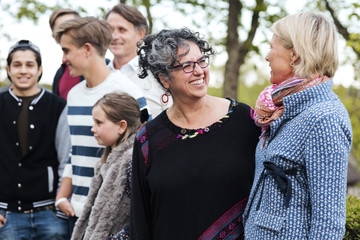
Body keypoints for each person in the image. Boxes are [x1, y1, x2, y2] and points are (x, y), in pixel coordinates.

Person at [130, 28, 260, 240]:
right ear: (164, 79)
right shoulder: (149, 140)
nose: (199, 71)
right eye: (187, 66)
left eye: (202, 61)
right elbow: (140, 218)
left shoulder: (245, 120)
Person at [242, 12, 353, 239]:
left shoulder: (324, 118)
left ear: (294, 54)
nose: (266, 57)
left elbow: (329, 223)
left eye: (272, 47)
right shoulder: (282, 110)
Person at [53, 16, 149, 235]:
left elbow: (141, 156)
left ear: (87, 48)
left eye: (67, 50)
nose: (63, 58)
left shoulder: (128, 92)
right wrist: (61, 197)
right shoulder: (74, 95)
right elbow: (74, 151)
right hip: (74, 213)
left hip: (110, 219)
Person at [0, 40, 70, 239]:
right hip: (6, 216)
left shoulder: (57, 106)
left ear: (40, 70)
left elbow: (66, 160)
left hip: (49, 214)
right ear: (8, 69)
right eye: (17, 65)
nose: (23, 71)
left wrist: (59, 203)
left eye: (29, 65)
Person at [70, 92, 141, 240]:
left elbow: (142, 217)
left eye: (99, 122)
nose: (93, 129)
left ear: (122, 126)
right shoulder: (107, 162)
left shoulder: (132, 162)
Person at [105, 4, 172, 117]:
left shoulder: (159, 77)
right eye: (110, 30)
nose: (114, 36)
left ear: (141, 34)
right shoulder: (101, 76)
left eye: (122, 30)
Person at [49, 8, 81, 100]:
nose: (67, 33)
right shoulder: (59, 75)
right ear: (55, 37)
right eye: (60, 29)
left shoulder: (106, 66)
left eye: (71, 27)